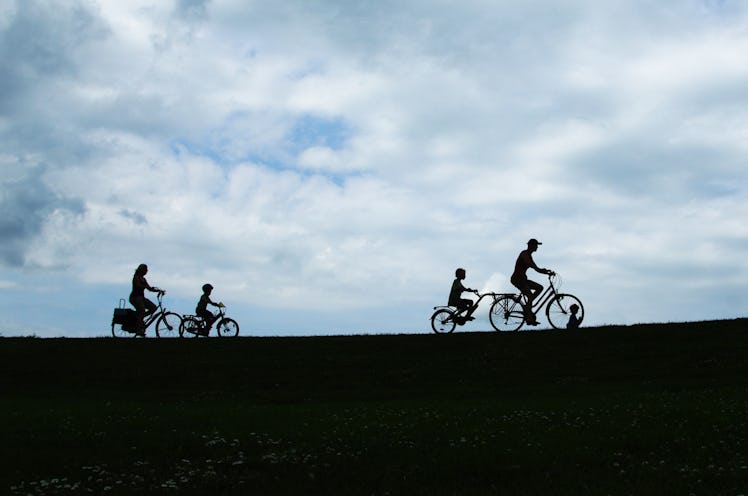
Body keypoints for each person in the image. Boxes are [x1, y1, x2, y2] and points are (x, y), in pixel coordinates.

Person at [510, 239, 553, 326]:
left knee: (539, 288)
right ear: (531, 246)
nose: (537, 247)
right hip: (517, 279)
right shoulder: (524, 254)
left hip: (523, 279)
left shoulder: (529, 255)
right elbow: (532, 266)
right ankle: (529, 317)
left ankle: (528, 307)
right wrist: (541, 270)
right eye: (536, 245)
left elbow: (536, 268)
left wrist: (545, 271)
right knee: (530, 296)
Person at [129, 263, 162, 335]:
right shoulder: (136, 277)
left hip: (141, 298)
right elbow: (138, 285)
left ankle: (140, 318)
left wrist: (158, 290)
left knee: (153, 307)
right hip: (135, 297)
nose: (146, 271)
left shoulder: (143, 279)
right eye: (145, 270)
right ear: (141, 270)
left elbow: (149, 288)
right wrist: (145, 286)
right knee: (142, 310)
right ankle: (138, 328)